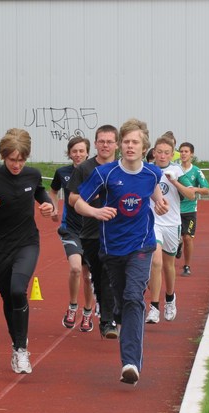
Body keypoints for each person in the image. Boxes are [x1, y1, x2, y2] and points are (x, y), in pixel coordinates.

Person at [74, 118, 169, 386]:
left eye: (135, 142)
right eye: (126, 141)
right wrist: (95, 212)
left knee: (133, 297)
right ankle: (117, 314)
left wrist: (160, 203)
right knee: (120, 300)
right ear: (120, 145)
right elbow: (78, 202)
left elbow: (153, 193)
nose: (129, 146)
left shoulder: (152, 173)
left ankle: (130, 363)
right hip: (112, 248)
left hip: (142, 245)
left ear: (143, 147)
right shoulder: (105, 174)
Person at [0, 128, 54, 374]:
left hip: (27, 242)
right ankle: (17, 342)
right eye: (12, 159)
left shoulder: (32, 174)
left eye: (21, 160)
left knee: (18, 290)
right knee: (9, 298)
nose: (17, 165)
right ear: (3, 156)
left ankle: (21, 350)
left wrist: (47, 204)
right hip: (0, 246)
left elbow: (39, 191)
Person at [67, 125, 120, 339]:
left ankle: (109, 320)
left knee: (114, 275)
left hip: (119, 231)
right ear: (96, 143)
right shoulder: (85, 169)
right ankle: (106, 314)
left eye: (109, 141)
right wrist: (93, 200)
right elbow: (72, 199)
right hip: (92, 232)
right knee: (99, 276)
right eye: (101, 141)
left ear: (116, 144)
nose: (105, 145)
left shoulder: (123, 167)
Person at [145, 134, 195, 325]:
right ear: (154, 152)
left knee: (168, 266)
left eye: (166, 153)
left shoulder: (177, 170)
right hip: (153, 223)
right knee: (156, 262)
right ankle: (154, 307)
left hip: (172, 224)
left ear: (172, 154)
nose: (162, 156)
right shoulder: (147, 170)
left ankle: (170, 298)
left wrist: (174, 182)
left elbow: (191, 195)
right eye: (159, 152)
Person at [49, 137, 95, 332]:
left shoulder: (95, 172)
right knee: (76, 269)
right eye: (74, 151)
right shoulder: (62, 172)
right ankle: (73, 307)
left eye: (81, 151)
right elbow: (53, 191)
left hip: (92, 231)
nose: (78, 154)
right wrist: (54, 207)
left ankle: (87, 312)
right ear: (69, 153)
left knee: (88, 276)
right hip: (71, 229)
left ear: (87, 152)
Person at [178, 142, 209, 276]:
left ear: (191, 154)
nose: (183, 154)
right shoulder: (175, 169)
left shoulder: (196, 171)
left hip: (190, 210)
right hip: (174, 209)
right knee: (175, 238)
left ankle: (187, 266)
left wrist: (195, 189)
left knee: (188, 238)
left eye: (186, 151)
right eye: (181, 151)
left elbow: (206, 190)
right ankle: (178, 244)